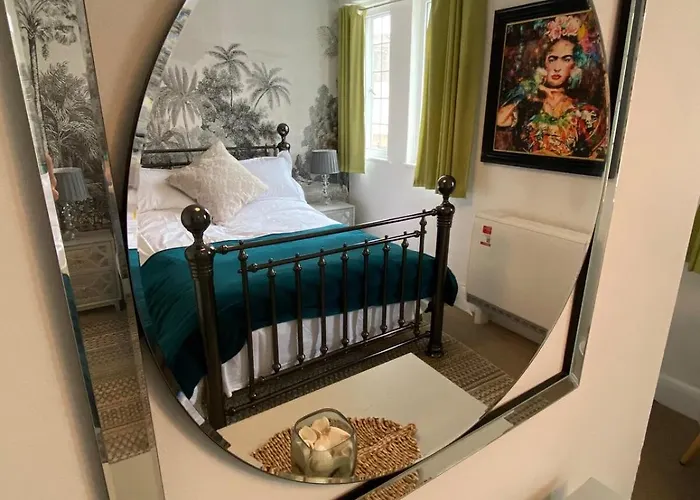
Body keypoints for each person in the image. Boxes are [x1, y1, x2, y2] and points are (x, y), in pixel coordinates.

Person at [496, 16, 607, 159]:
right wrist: (531, 86)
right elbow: (500, 120)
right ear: (543, 64)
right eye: (552, 59)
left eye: (566, 59)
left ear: (575, 66)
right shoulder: (528, 107)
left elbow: (594, 158)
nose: (557, 68)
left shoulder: (585, 113)